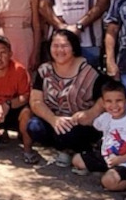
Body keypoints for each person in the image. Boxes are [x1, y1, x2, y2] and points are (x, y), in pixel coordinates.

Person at [22, 29, 108, 165]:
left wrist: (90, 114)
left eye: (64, 46)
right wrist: (53, 119)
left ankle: (82, 151)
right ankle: (63, 150)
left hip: (80, 124)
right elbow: (36, 101)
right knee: (34, 127)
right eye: (55, 46)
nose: (59, 50)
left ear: (73, 48)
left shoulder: (89, 71)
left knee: (69, 133)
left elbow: (106, 96)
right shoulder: (44, 70)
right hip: (55, 121)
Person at [72, 80, 126, 200]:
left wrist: (120, 159)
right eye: (109, 101)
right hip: (108, 157)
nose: (114, 106)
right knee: (77, 160)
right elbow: (93, 123)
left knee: (108, 182)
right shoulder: (105, 117)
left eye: (119, 101)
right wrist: (78, 117)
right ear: (103, 103)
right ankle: (111, 173)